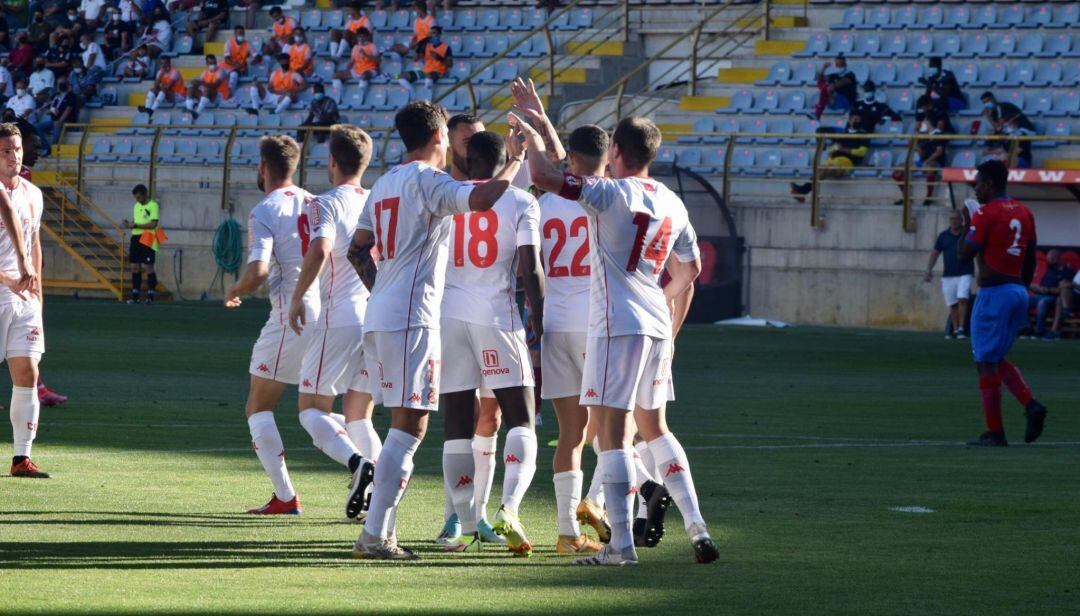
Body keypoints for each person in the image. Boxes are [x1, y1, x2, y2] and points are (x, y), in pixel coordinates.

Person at [511, 111, 719, 566]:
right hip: (657, 325)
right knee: (657, 429)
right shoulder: (672, 201)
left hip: (615, 324)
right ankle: (698, 527)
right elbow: (691, 270)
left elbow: (546, 176)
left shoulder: (611, 193)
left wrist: (528, 135)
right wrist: (661, 303)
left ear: (617, 153)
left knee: (612, 434)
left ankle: (621, 547)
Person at [346, 100, 522, 560]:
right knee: (410, 428)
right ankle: (374, 535)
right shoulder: (427, 180)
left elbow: (356, 249)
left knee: (403, 425)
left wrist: (382, 287)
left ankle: (381, 533)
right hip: (411, 317)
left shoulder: (383, 182)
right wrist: (517, 159)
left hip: (382, 312)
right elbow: (482, 198)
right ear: (440, 136)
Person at [435, 130, 544, 555]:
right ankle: (510, 508)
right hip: (496, 316)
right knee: (522, 417)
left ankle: (460, 523)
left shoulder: (450, 196)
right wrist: (538, 313)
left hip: (449, 316)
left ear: (469, 159)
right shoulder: (521, 201)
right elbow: (530, 267)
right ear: (505, 161)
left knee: (457, 423)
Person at [286, 125, 379, 520]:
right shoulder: (378, 200)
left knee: (311, 409)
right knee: (359, 414)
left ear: (332, 163)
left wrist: (297, 295)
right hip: (376, 317)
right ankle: (374, 499)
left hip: (339, 317)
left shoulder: (326, 202)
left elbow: (321, 248)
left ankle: (358, 465)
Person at [224, 135, 317, 515]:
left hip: (291, 316)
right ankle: (371, 479)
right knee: (327, 408)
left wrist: (236, 288)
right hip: (334, 314)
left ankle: (285, 496)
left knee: (258, 406)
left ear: (263, 168)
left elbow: (258, 272)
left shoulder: (265, 210)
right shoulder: (317, 202)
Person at [539, 124, 610, 555]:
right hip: (595, 323)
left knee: (571, 433)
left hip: (555, 321)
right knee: (617, 431)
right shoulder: (610, 196)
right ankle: (596, 503)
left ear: (570, 158)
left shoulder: (545, 202)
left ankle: (568, 533)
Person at [957, 160, 1047, 447]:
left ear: (991, 184)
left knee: (984, 361)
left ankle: (995, 433)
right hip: (1017, 291)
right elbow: (1031, 255)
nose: (976, 188)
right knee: (994, 357)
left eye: (979, 183)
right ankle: (1031, 405)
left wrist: (967, 222)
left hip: (993, 292)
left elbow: (964, 253)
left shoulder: (986, 213)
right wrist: (1023, 284)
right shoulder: (1024, 211)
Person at [0, 122, 48, 478]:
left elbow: (33, 244)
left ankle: (21, 458)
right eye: (5, 151)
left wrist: (38, 295)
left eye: (16, 149)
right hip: (2, 289)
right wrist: (8, 279)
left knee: (27, 374)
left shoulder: (33, 193)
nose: (14, 156)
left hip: (24, 298)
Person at [790, 112, 869, 201]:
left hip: (846, 161)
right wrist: (835, 148)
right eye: (854, 119)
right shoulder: (842, 134)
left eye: (857, 120)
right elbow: (831, 149)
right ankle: (802, 191)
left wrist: (843, 149)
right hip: (832, 159)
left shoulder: (863, 135)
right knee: (821, 170)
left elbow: (862, 152)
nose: (855, 121)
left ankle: (802, 191)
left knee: (826, 170)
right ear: (849, 120)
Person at [893, 95, 951, 207]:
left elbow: (938, 152)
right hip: (923, 161)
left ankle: (929, 197)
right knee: (898, 169)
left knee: (929, 167)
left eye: (924, 122)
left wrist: (925, 161)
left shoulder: (938, 135)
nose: (921, 125)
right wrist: (916, 147)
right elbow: (921, 153)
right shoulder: (923, 137)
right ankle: (906, 196)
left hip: (935, 161)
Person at [925, 210, 974, 339]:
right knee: (952, 303)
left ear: (961, 220)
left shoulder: (967, 234)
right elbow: (935, 253)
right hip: (948, 275)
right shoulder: (943, 236)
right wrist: (929, 269)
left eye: (956, 219)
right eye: (951, 219)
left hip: (965, 271)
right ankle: (956, 329)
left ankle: (962, 328)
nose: (954, 221)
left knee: (963, 298)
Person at [122, 184, 159, 304]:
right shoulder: (136, 206)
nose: (137, 200)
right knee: (134, 267)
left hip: (148, 236)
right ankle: (135, 296)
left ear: (145, 194)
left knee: (148, 267)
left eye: (139, 197)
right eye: (136, 198)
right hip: (135, 237)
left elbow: (153, 224)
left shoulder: (153, 205)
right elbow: (136, 222)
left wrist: (136, 225)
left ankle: (151, 296)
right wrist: (130, 224)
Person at [1026, 248, 1074, 339]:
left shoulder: (1067, 271)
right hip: (1040, 294)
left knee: (1042, 303)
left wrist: (1047, 290)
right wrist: (1035, 287)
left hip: (1053, 297)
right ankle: (1026, 328)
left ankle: (1040, 331)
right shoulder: (1050, 270)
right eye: (1048, 260)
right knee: (1022, 300)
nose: (1049, 262)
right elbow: (1042, 286)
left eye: (1052, 260)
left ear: (1058, 259)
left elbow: (1065, 291)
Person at [397, 25, 450, 97]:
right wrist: (415, 50)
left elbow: (450, 64)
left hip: (439, 72)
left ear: (439, 35)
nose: (431, 35)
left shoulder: (446, 48)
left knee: (429, 76)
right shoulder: (427, 46)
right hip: (426, 71)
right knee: (401, 76)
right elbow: (416, 58)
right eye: (430, 33)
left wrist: (439, 58)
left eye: (434, 33)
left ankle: (426, 98)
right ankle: (413, 95)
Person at [34, 80, 76, 155]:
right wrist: (49, 111)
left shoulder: (71, 96)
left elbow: (68, 110)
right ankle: (46, 147)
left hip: (66, 120)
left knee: (57, 126)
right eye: (59, 84)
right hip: (53, 120)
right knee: (36, 127)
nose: (60, 86)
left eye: (62, 84)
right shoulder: (55, 95)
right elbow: (50, 106)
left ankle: (53, 148)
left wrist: (60, 121)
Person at [184, 54, 231, 120]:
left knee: (207, 89)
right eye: (211, 63)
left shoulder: (220, 71)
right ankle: (189, 111)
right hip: (208, 97)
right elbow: (200, 86)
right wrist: (195, 84)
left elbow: (215, 86)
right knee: (190, 89)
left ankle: (197, 112)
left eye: (214, 63)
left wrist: (200, 83)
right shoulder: (204, 72)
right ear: (207, 63)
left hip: (220, 96)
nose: (213, 65)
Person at [813, 55, 855, 120]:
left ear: (845, 64)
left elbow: (844, 82)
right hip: (833, 100)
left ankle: (818, 111)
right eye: (837, 65)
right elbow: (820, 82)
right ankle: (818, 110)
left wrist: (832, 86)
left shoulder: (850, 75)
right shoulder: (834, 75)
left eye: (840, 65)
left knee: (825, 89)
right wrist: (824, 68)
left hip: (846, 101)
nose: (838, 67)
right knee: (823, 88)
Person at [1046, 270, 1080, 340]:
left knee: (1062, 295)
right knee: (1060, 298)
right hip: (1074, 297)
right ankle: (1066, 311)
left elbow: (1074, 285)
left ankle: (1054, 330)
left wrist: (1071, 285)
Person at [220, 26, 253, 93]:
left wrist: (255, 58)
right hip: (226, 67)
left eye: (243, 33)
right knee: (221, 77)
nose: (241, 35)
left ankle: (231, 95)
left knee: (234, 75)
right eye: (239, 33)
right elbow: (227, 60)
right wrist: (237, 66)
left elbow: (255, 54)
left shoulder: (247, 44)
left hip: (238, 69)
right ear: (235, 34)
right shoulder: (228, 43)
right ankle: (227, 95)